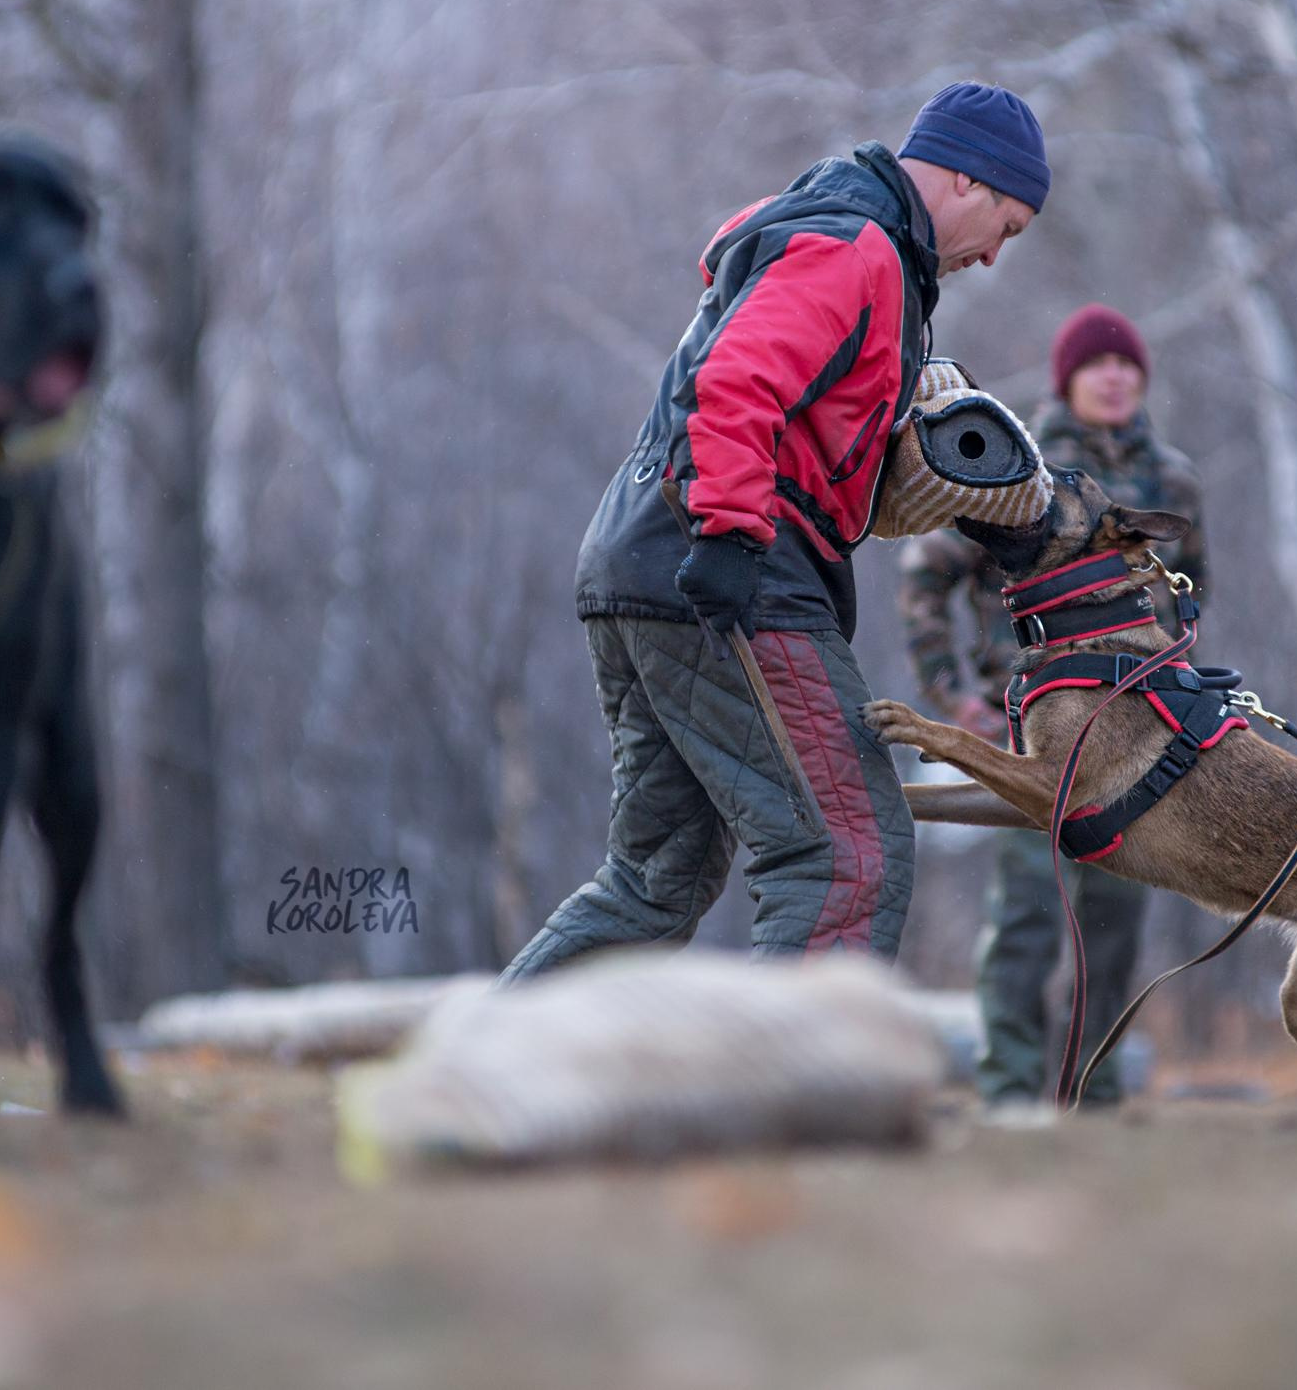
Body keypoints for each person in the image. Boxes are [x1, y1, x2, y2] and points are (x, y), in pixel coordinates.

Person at [502, 84, 1048, 979]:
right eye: (1008, 227)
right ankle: (802, 1109)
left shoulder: (839, 231)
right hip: (725, 568)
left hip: (635, 559)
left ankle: (476, 1084)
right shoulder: (854, 246)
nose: (992, 258)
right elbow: (738, 380)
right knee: (849, 856)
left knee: (656, 879)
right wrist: (727, 535)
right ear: (965, 180)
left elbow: (790, 409)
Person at [898, 303, 1207, 1108]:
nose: (1113, 377)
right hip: (1035, 723)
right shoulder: (1012, 466)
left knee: (1114, 922)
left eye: (1126, 365)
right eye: (1096, 365)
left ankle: (1093, 1094)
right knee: (1029, 916)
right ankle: (1007, 1089)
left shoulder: (1172, 481)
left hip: (1139, 733)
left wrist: (1181, 690)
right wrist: (953, 693)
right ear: (1066, 379)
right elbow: (926, 577)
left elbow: (1189, 592)